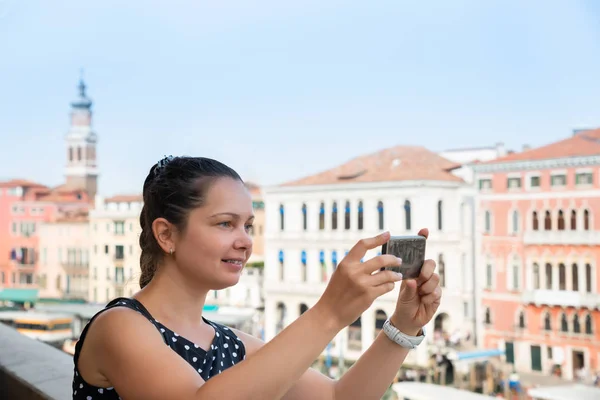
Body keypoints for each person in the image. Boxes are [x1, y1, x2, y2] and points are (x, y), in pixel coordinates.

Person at [72, 156, 442, 400]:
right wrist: (329, 313)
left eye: (248, 225)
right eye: (225, 224)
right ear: (167, 235)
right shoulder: (121, 326)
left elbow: (338, 397)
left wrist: (403, 327)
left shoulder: (233, 344)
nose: (245, 241)